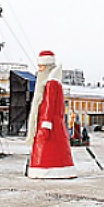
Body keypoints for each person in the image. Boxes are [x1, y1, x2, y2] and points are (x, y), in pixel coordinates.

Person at [26, 50, 77, 179]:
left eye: (41, 67)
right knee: (58, 150)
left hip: (48, 123)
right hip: (54, 124)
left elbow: (49, 104)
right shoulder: (53, 83)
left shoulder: (50, 84)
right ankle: (60, 168)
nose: (39, 70)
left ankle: (46, 169)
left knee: (46, 152)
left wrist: (46, 123)